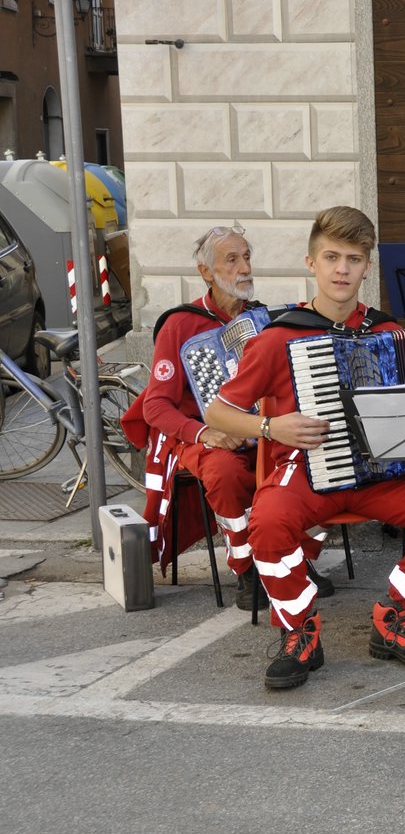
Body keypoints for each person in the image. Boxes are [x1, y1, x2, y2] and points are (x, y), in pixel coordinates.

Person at [205, 207, 405, 690]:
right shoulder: (278, 338)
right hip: (307, 472)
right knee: (267, 522)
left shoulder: (389, 334)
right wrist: (270, 426)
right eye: (331, 257)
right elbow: (217, 413)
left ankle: (395, 615)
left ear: (367, 266)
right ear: (311, 262)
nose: (342, 269)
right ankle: (299, 630)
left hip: (386, 475)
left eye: (353, 258)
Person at [122, 225, 312, 607]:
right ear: (206, 272)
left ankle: (292, 559)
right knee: (225, 472)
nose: (244, 268)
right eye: (232, 259)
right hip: (201, 436)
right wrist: (205, 433)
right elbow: (155, 406)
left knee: (308, 458)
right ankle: (247, 568)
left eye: (246, 257)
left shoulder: (264, 319)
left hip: (262, 429)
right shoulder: (179, 325)